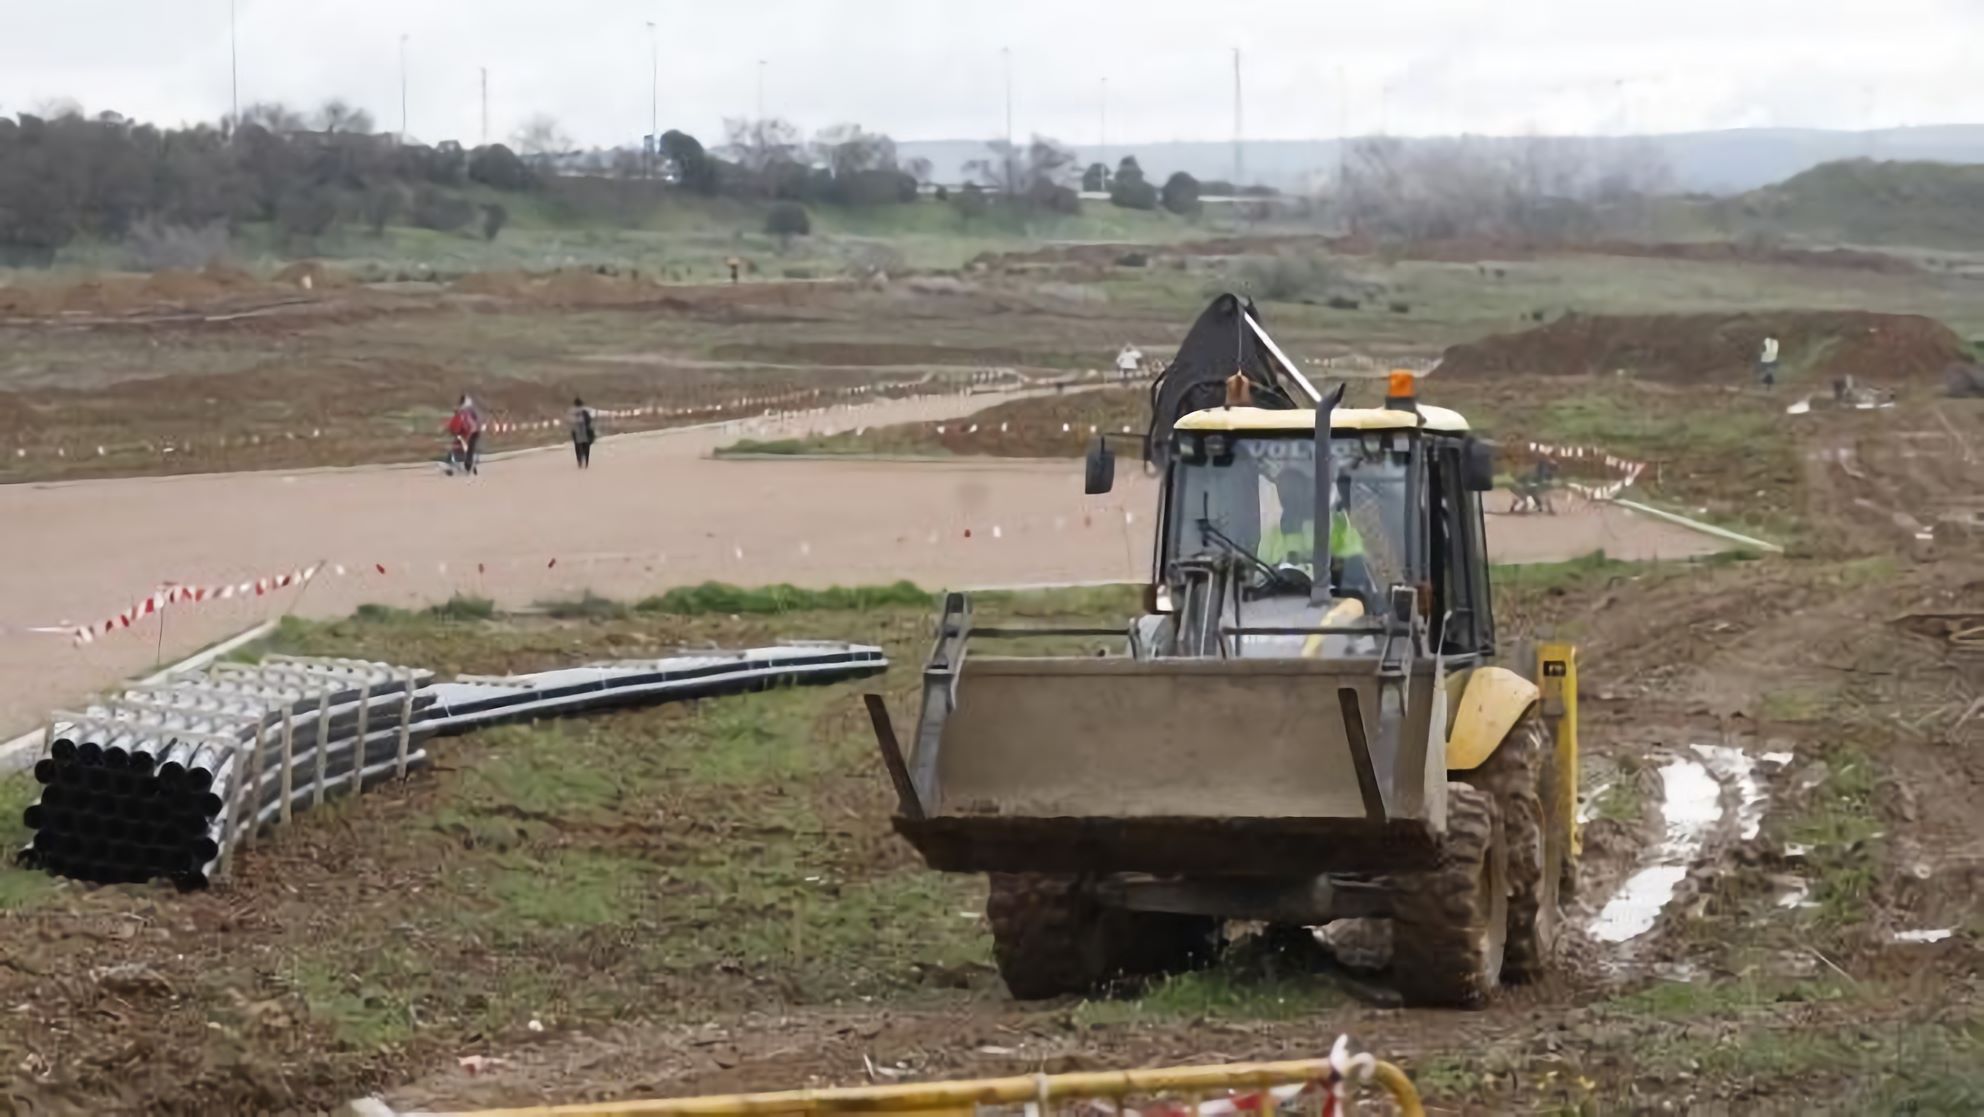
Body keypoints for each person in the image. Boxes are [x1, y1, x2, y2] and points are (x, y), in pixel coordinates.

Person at [445, 395, 482, 476]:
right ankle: (468, 465)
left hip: (467, 432)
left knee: (459, 447)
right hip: (472, 431)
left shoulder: (463, 412)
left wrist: (455, 431)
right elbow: (475, 421)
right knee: (467, 449)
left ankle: (454, 464)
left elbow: (458, 424)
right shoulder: (469, 410)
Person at [568, 396, 597, 469]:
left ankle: (579, 461)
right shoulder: (585, 412)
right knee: (586, 447)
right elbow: (589, 421)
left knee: (577, 447)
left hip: (576, 432)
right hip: (585, 432)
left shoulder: (572, 412)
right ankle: (586, 461)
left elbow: (570, 422)